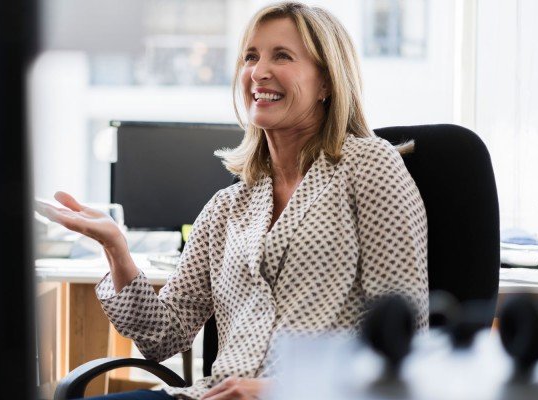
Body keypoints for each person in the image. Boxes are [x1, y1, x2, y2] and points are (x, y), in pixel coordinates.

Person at [36, 2, 428, 399]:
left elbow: (403, 337)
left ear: (326, 82)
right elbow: (162, 337)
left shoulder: (369, 166)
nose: (259, 72)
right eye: (250, 57)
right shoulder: (229, 206)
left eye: (282, 56)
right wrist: (116, 247)